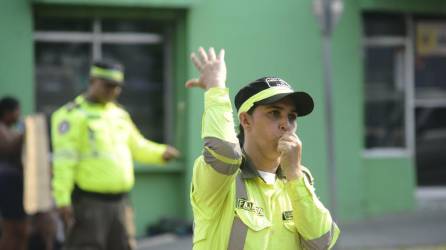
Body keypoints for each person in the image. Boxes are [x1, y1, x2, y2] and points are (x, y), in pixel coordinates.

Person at [187, 47, 340, 249]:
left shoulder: (297, 179)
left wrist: (294, 175)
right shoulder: (221, 176)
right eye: (274, 113)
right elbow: (225, 151)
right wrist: (215, 86)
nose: (286, 124)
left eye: (292, 116)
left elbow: (322, 242)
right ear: (245, 120)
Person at [51, 60, 180, 250]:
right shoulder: (72, 115)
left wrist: (161, 153)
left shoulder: (119, 114)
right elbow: (64, 161)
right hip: (88, 205)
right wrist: (62, 199)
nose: (114, 91)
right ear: (92, 80)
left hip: (121, 204)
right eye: (108, 85)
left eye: (118, 87)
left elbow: (138, 146)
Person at [0, 96, 28, 250]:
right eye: (17, 111)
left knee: (22, 231)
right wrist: (25, 134)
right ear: (7, 112)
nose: (19, 114)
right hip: (6, 183)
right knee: (11, 230)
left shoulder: (10, 130)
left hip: (14, 183)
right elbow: (8, 148)